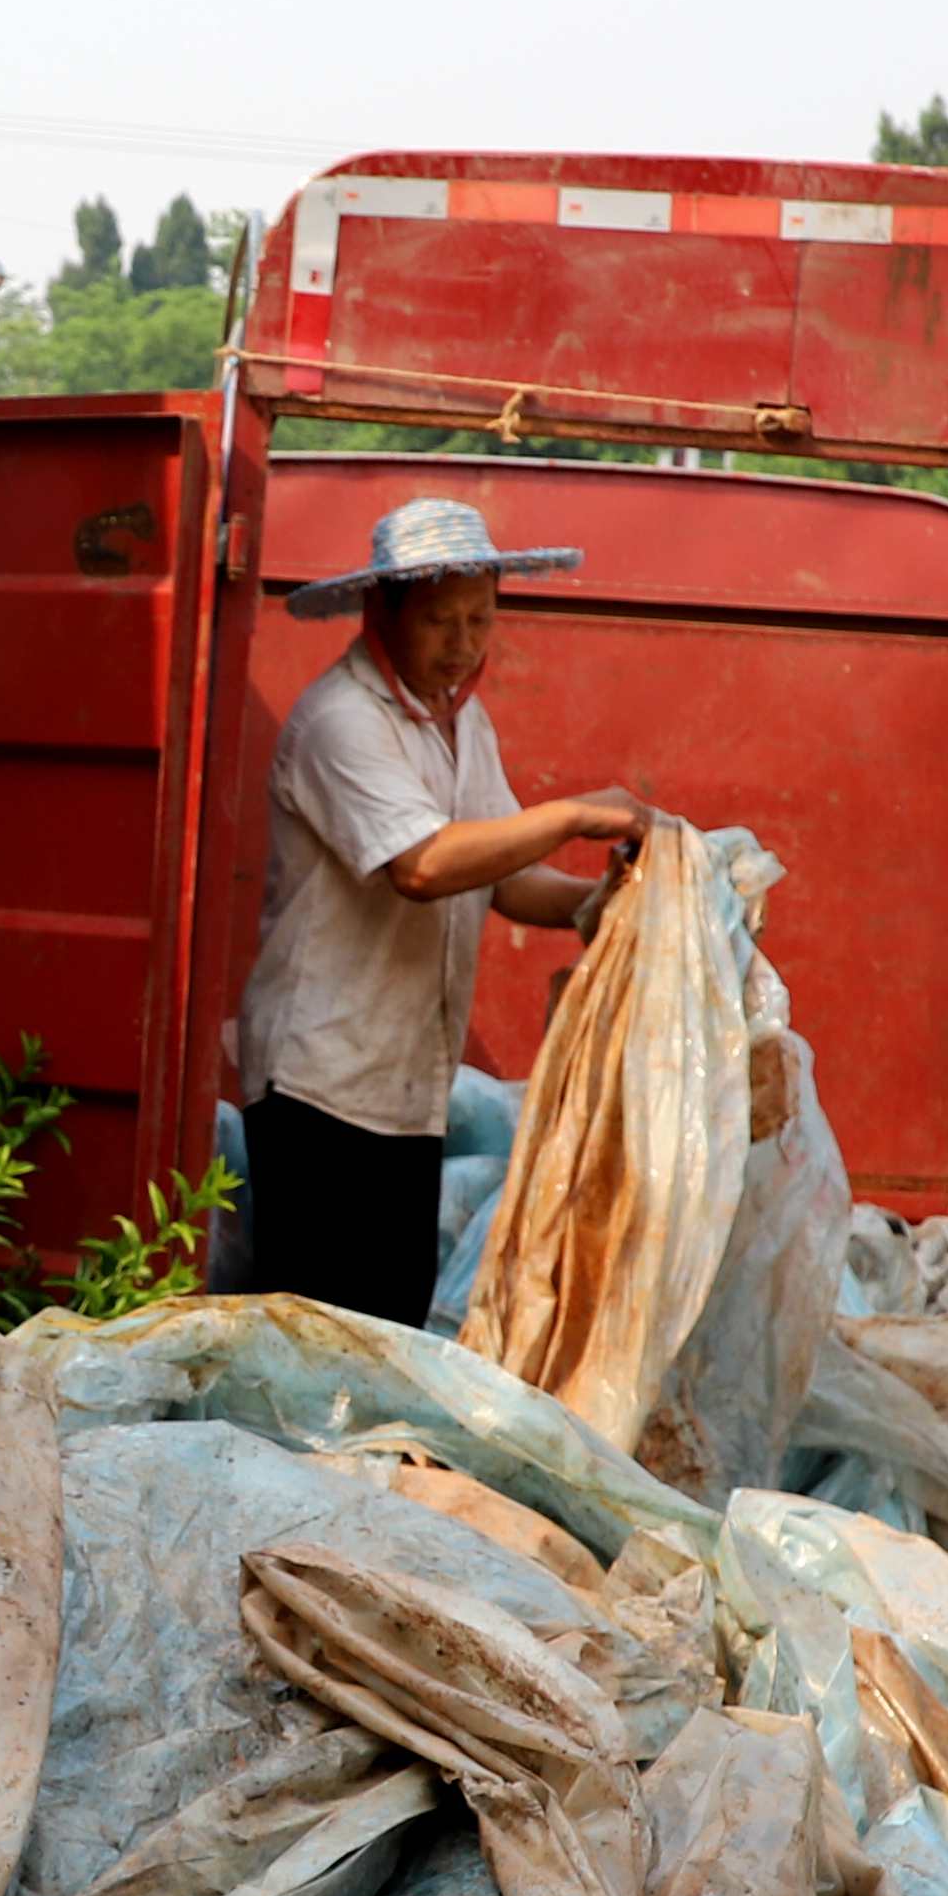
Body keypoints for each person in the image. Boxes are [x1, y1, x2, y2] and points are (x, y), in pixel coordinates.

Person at [230, 496, 649, 1323]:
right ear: (380, 612)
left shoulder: (462, 723)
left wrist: (596, 904)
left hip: (404, 1093)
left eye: (479, 620)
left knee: (387, 1336)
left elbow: (496, 874)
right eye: (440, 621)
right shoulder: (341, 722)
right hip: (322, 1090)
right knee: (318, 1343)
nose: (462, 645)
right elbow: (422, 867)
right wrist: (571, 815)